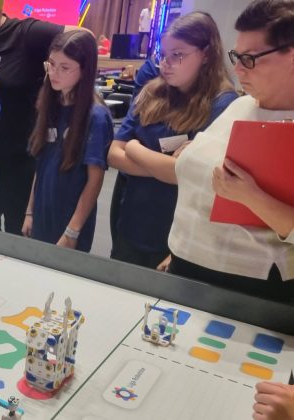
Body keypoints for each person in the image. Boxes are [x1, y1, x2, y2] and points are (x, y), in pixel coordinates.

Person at [160, 0, 294, 301]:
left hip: (247, 286)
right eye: (236, 56)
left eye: (249, 59)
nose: (237, 69)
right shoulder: (241, 105)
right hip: (187, 264)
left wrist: (251, 197)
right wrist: (179, 251)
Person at [107, 12, 238, 270]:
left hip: (177, 237)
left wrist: (134, 148)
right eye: (163, 55)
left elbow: (196, 176)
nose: (166, 64)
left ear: (207, 54)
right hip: (132, 224)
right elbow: (113, 153)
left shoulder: (223, 104)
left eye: (177, 55)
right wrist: (170, 167)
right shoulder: (152, 92)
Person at [0, 0, 81, 235]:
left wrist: (54, 87)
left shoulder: (25, 33)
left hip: (20, 162)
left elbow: (83, 38)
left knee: (19, 239)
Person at [20, 30, 113, 252]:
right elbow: (40, 166)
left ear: (85, 69)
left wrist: (72, 232)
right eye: (51, 65)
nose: (54, 73)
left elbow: (94, 181)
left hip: (70, 220)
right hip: (43, 213)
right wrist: (30, 212)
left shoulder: (96, 116)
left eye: (64, 68)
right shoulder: (50, 105)